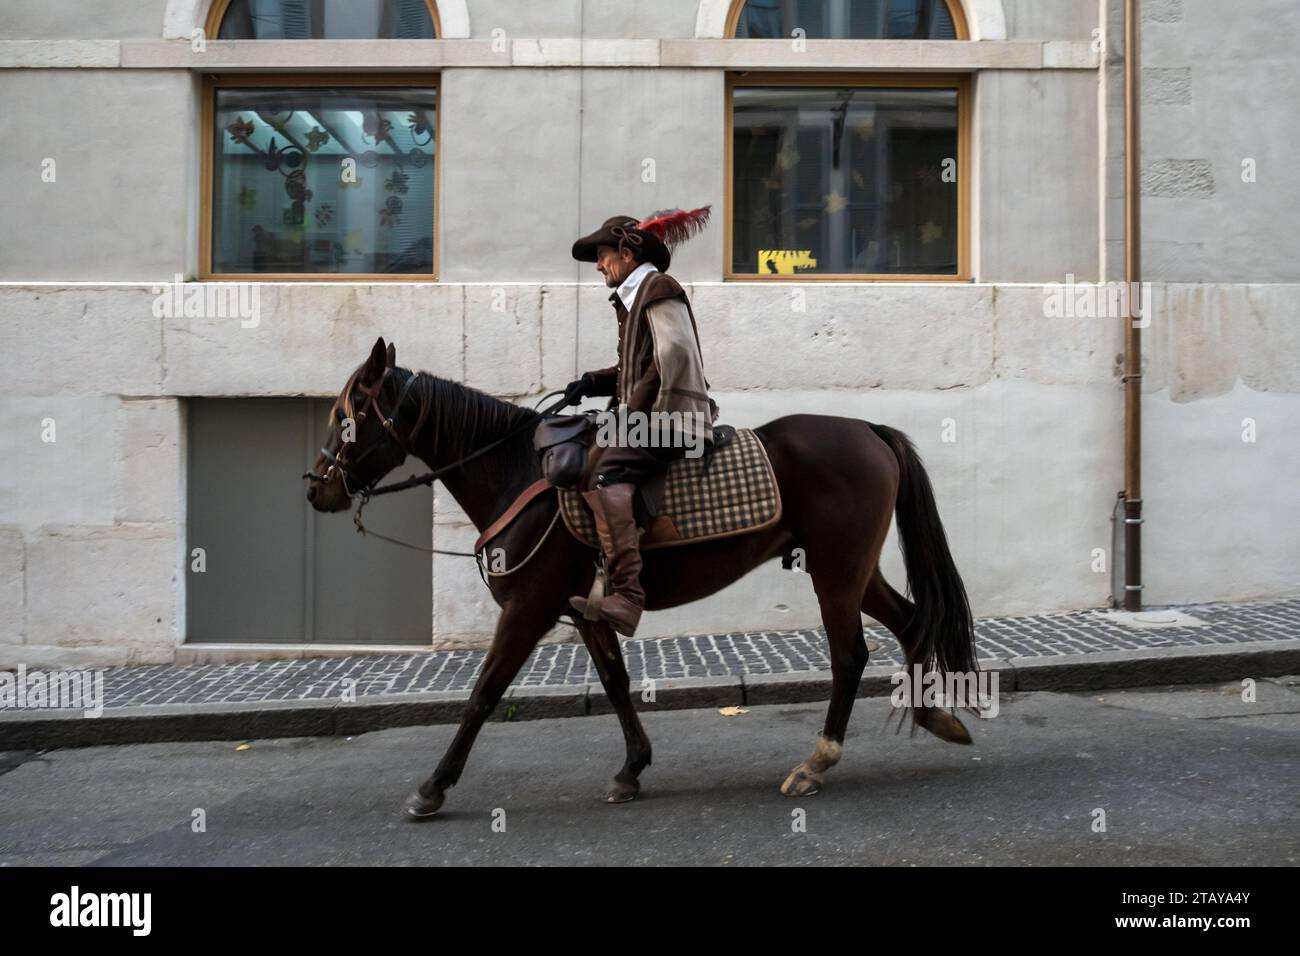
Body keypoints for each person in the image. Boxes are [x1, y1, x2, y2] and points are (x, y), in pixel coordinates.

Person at [563, 209, 717, 636]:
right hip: (647, 416)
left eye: (602, 255)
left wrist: (628, 414)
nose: (597, 265)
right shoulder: (632, 297)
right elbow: (635, 366)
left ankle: (628, 596)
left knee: (601, 472)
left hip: (673, 419)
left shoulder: (659, 287)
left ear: (627, 253)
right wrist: (590, 383)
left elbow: (673, 359)